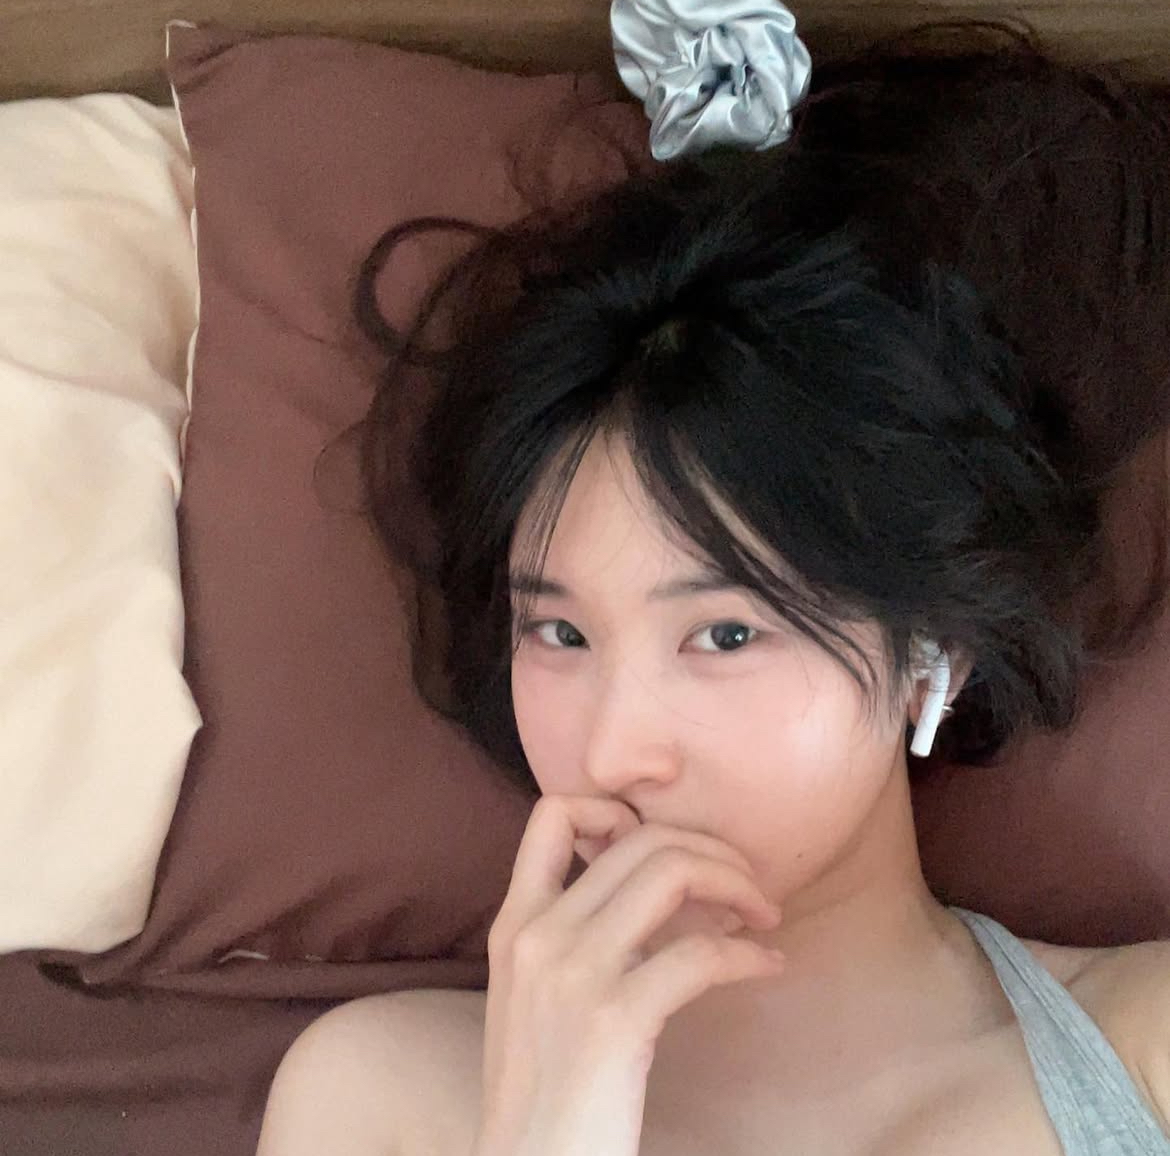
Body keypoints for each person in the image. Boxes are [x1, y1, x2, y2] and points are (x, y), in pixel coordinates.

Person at [256, 22, 1170, 1156]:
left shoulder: (1147, 1047)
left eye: (726, 633)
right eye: (559, 631)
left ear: (933, 649)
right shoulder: (377, 1097)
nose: (614, 750)